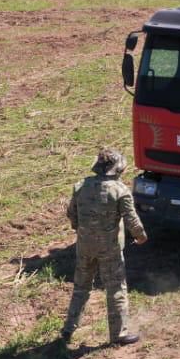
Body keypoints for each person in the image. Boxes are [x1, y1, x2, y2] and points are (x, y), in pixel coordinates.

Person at [61, 148, 148, 346]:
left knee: (81, 286)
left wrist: (80, 229)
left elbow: (71, 213)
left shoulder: (81, 186)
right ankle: (119, 334)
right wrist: (141, 237)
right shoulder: (119, 190)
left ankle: (68, 329)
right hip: (110, 249)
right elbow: (132, 221)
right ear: (117, 169)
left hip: (84, 246)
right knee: (116, 287)